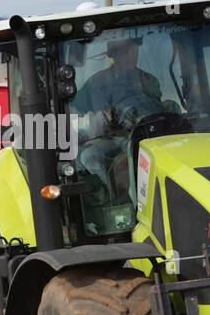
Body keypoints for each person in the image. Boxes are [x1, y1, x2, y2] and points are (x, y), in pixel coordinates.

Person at [70, 38, 168, 202]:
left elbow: (157, 110)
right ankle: (112, 198)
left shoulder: (148, 80)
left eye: (135, 50)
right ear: (114, 55)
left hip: (148, 136)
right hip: (111, 139)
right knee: (89, 156)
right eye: (127, 52)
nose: (133, 55)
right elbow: (72, 107)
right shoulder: (95, 83)